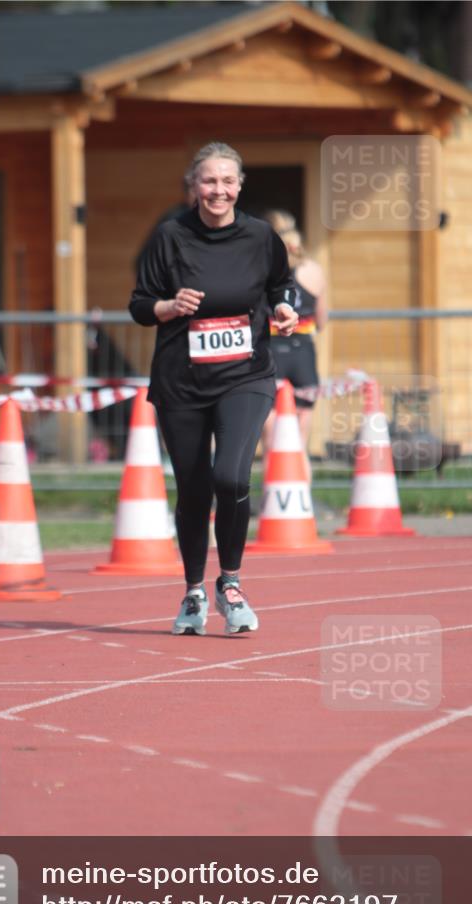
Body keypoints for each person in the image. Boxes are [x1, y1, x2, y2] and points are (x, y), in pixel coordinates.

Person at [129, 142, 299, 636]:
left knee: (230, 477)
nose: (218, 190)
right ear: (194, 186)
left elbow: (281, 286)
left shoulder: (261, 237)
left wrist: (286, 310)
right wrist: (169, 306)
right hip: (181, 380)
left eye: (227, 181)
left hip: (244, 375)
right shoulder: (170, 236)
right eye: (209, 181)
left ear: (240, 185)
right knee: (194, 489)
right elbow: (140, 304)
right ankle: (193, 591)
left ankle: (230, 583)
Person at [261, 211, 327, 482]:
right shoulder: (314, 271)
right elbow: (321, 321)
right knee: (300, 443)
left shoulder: (264, 270)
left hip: (272, 352)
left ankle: (271, 504)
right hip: (304, 354)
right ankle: (303, 506)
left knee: (271, 442)